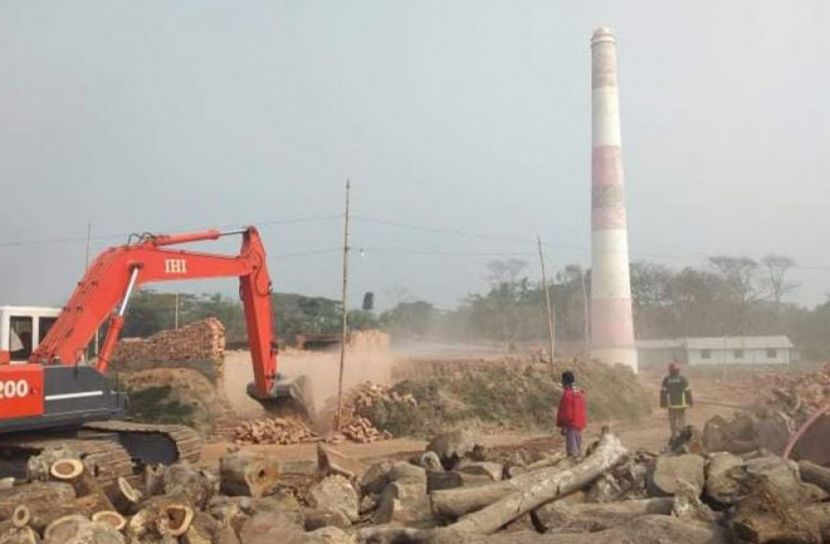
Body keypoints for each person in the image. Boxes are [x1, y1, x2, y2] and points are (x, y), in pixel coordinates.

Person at [556, 370, 587, 457]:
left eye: (562, 381)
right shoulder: (579, 393)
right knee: (578, 447)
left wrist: (564, 425)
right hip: (579, 424)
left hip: (570, 425)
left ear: (564, 382)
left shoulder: (567, 394)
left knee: (572, 452)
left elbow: (566, 412)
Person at [660, 361, 693, 443]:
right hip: (681, 405)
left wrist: (663, 404)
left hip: (671, 405)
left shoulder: (666, 379)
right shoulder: (683, 379)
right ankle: (682, 437)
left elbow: (663, 393)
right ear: (678, 370)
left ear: (669, 370)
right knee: (682, 421)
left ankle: (674, 437)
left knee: (672, 422)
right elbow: (688, 391)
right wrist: (690, 402)